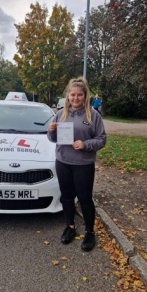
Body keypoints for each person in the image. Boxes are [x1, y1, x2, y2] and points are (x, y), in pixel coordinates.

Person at [47, 77, 106, 251]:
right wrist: (50, 132)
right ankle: (70, 227)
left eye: (79, 95)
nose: (75, 98)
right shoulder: (61, 114)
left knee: (85, 198)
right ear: (68, 96)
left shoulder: (93, 115)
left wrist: (85, 144)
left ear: (85, 95)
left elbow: (102, 139)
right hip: (63, 161)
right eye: (72, 95)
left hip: (83, 164)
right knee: (66, 196)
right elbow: (53, 139)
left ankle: (89, 232)